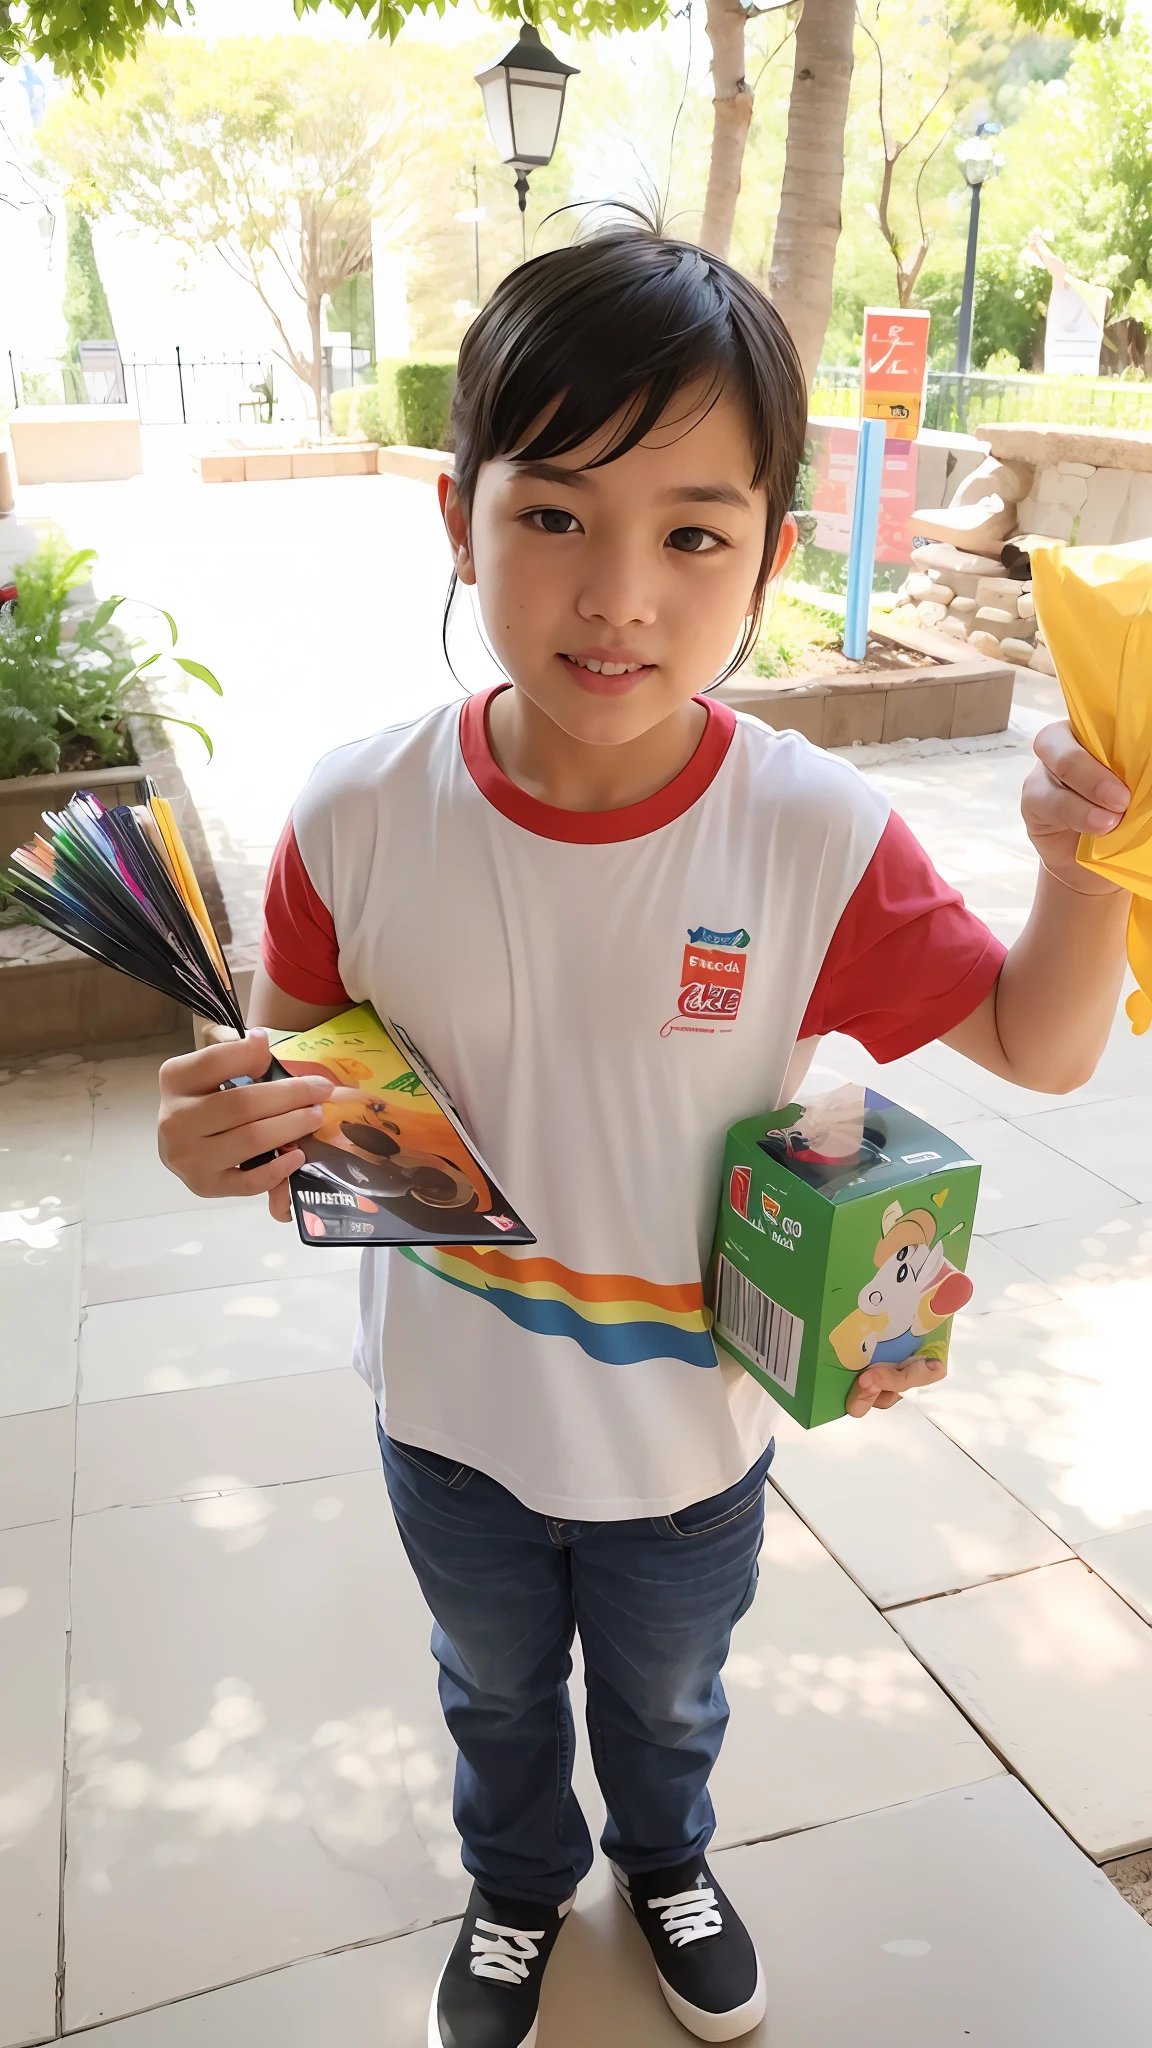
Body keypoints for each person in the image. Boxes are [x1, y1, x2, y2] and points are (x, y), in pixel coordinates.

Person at [157, 227, 1132, 2048]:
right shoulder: (356, 810)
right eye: (556, 515)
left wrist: (1084, 871)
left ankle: (668, 1856)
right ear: (461, 515)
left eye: (693, 531)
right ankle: (516, 1882)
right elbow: (304, 1073)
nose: (620, 593)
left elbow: (1042, 1044)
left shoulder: (811, 829)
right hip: (443, 1408)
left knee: (670, 1700)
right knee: (495, 1688)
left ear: (771, 550)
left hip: (693, 1428)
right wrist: (234, 1137)